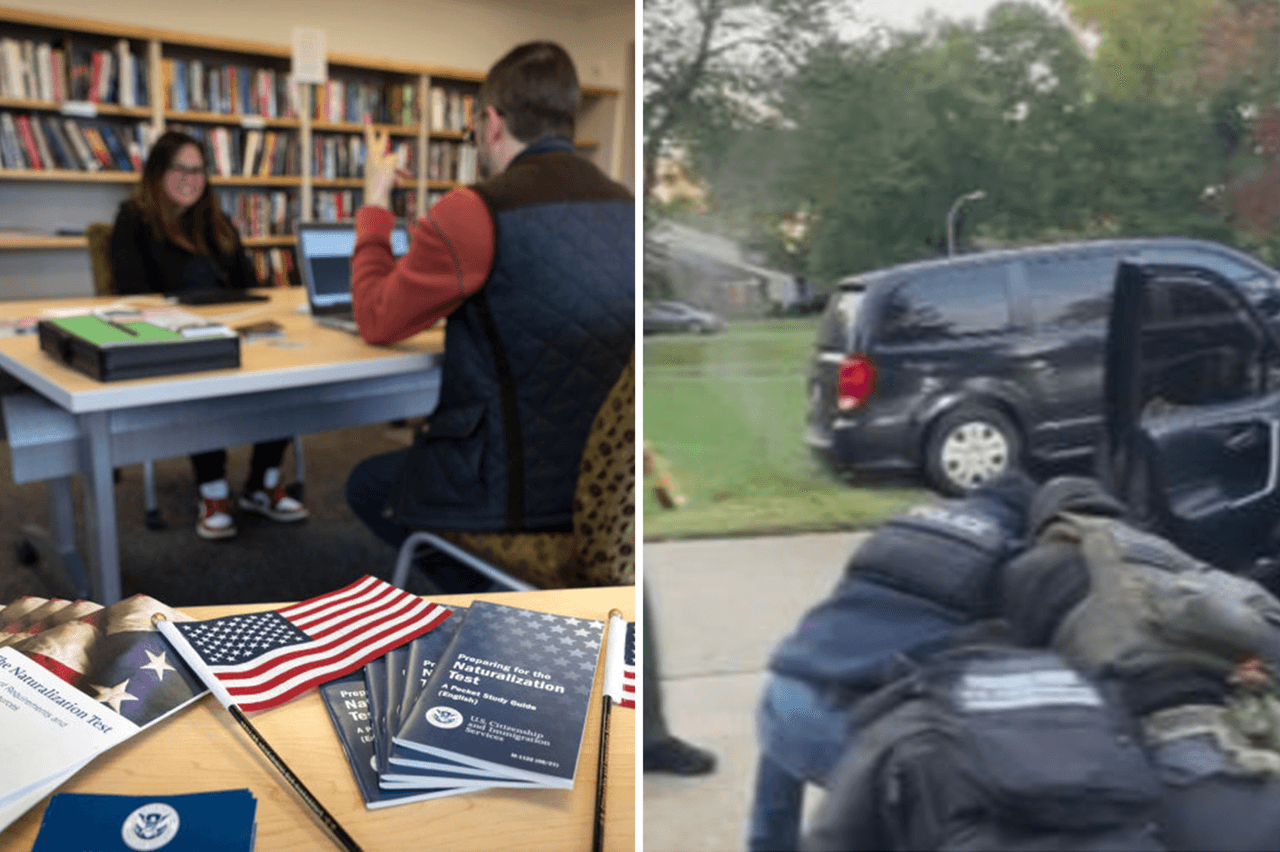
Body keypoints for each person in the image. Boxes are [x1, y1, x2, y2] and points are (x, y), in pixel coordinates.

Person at [344, 41, 633, 590]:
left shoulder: (473, 211)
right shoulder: (628, 208)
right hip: (606, 496)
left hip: (512, 497)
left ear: (493, 122)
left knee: (367, 485)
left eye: (474, 130)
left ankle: (498, 600)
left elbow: (376, 318)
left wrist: (375, 201)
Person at [109, 130, 308, 540]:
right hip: (174, 341)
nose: (190, 178)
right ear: (157, 173)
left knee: (286, 374)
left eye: (198, 169)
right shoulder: (134, 219)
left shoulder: (218, 223)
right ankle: (212, 491)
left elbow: (249, 284)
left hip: (235, 331)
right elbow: (132, 294)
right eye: (179, 169)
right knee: (205, 379)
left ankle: (263, 483)